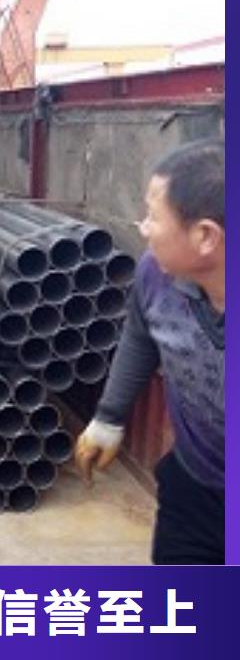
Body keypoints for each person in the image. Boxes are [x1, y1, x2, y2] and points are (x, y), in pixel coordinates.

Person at [75, 138, 225, 564]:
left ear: (205, 236)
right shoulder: (157, 275)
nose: (143, 228)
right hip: (193, 487)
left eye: (153, 217)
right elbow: (142, 333)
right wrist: (109, 417)